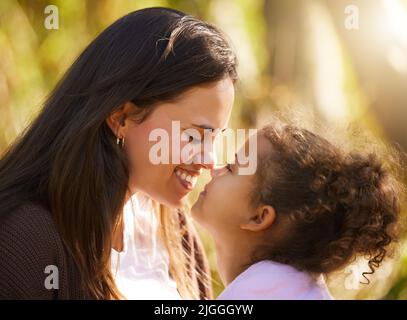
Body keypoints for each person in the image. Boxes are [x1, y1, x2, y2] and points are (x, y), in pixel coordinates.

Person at [0, 7, 237, 299]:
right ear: (121, 117)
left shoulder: (175, 230)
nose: (208, 159)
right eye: (193, 136)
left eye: (215, 138)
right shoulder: (25, 237)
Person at [192, 123, 401, 299]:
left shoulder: (262, 288)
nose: (214, 168)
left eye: (231, 168)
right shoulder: (293, 287)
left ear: (259, 217)